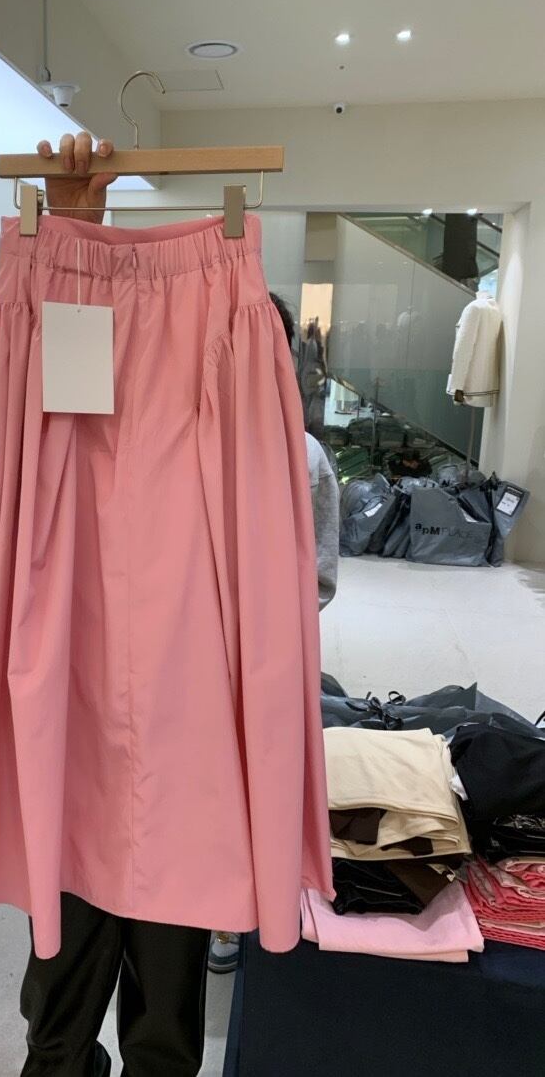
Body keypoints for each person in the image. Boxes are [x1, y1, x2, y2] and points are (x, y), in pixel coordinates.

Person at [19, 132, 210, 1077]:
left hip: (185, 664)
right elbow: (64, 416)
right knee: (84, 829)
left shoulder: (220, 343)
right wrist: (74, 238)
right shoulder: (67, 351)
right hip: (85, 652)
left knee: (166, 843)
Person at [208, 291, 340, 975]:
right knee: (225, 777)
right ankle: (221, 913)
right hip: (211, 647)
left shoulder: (304, 455)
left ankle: (235, 916)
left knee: (252, 777)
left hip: (259, 648)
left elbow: (319, 572)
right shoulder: (193, 440)